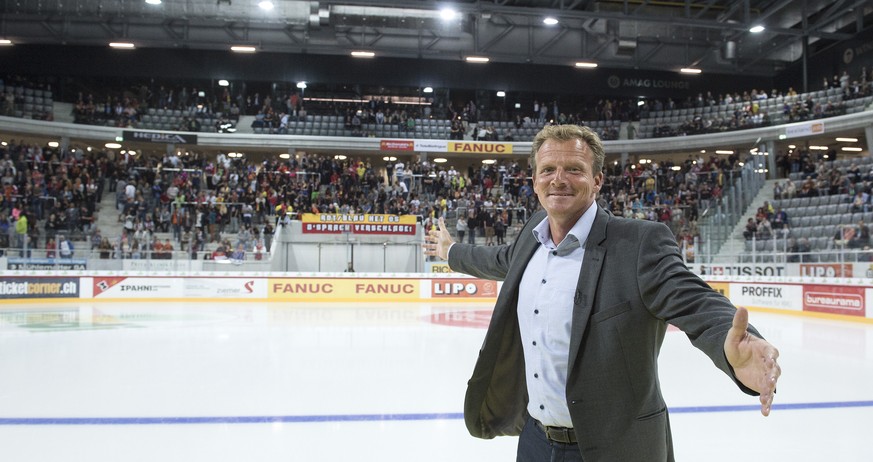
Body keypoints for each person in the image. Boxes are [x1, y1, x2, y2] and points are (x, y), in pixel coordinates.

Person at [422, 124, 780, 461]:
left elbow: (692, 299)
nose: (558, 179)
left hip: (613, 447)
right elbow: (498, 259)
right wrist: (450, 251)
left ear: (597, 181)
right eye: (548, 170)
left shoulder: (638, 243)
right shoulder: (532, 234)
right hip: (534, 440)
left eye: (574, 169)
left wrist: (732, 346)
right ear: (534, 182)